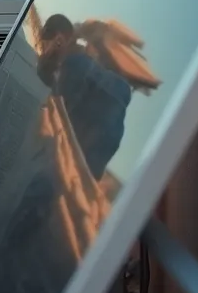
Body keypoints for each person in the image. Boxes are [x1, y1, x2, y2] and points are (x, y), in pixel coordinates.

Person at [36, 14, 133, 180]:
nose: (42, 52)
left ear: (59, 39)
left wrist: (46, 67)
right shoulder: (96, 76)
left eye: (43, 46)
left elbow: (56, 124)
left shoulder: (74, 68)